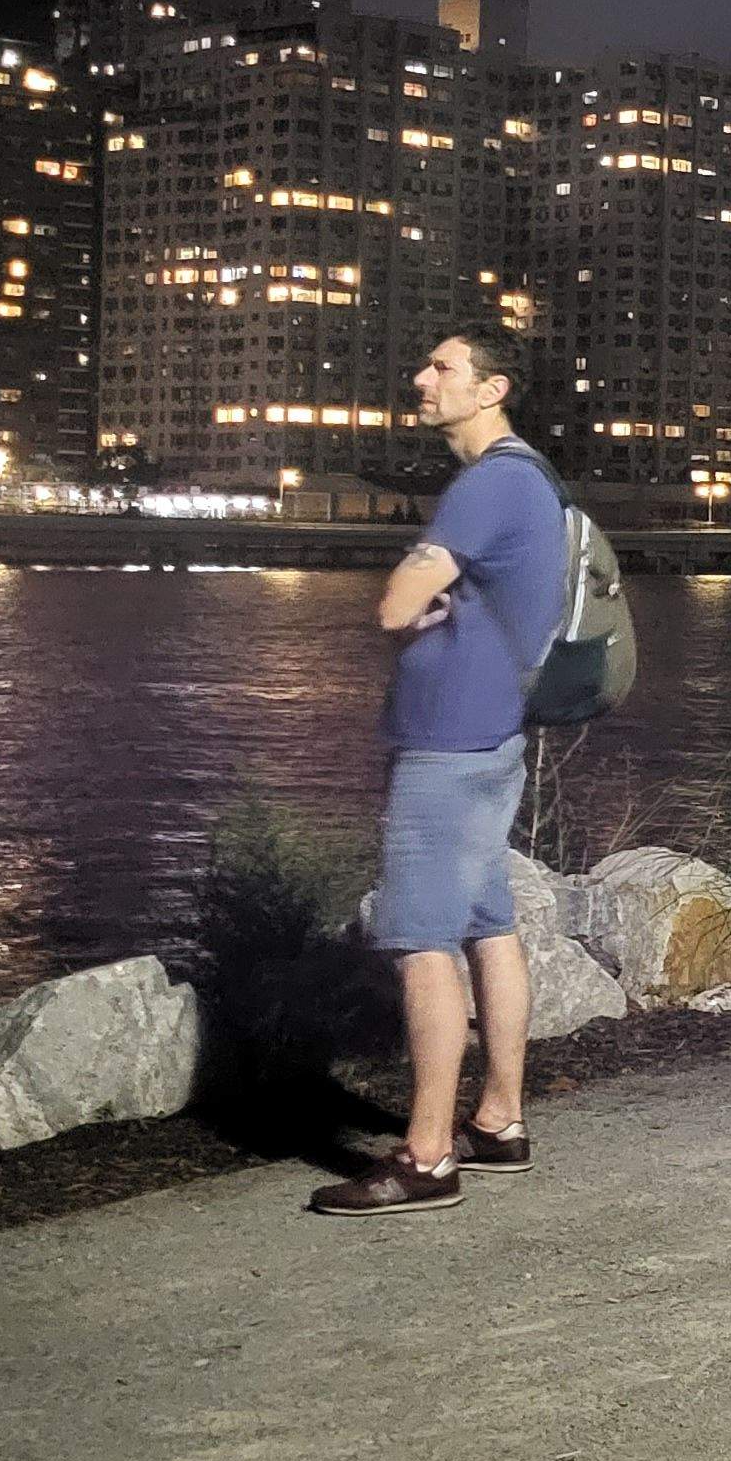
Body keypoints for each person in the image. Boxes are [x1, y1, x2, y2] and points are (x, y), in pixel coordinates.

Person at [307, 323, 568, 1221]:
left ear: (491, 389)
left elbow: (395, 604)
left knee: (422, 939)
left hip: (449, 745)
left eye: (443, 367)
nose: (422, 378)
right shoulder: (532, 477)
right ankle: (499, 1120)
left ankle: (426, 1158)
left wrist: (417, 601)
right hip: (492, 734)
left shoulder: (489, 482)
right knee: (489, 926)